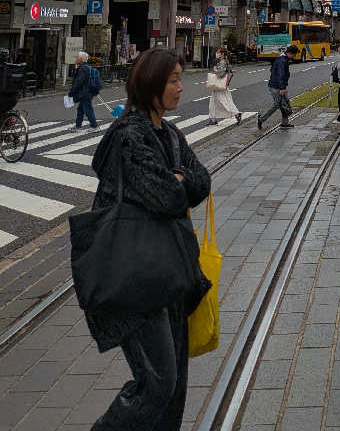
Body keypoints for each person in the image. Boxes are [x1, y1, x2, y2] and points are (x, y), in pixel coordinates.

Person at [86, 48, 211, 430]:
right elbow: (167, 196)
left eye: (180, 78)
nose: (180, 87)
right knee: (157, 383)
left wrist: (179, 180)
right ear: (151, 84)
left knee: (175, 387)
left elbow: (201, 181)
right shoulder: (128, 136)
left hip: (170, 271)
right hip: (133, 275)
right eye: (173, 80)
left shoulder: (170, 134)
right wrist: (178, 182)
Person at [257, 44, 299, 129]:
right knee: (277, 104)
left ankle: (285, 123)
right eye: (294, 54)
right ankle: (261, 119)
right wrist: (282, 88)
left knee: (285, 103)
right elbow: (281, 75)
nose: (294, 56)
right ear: (290, 53)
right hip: (276, 87)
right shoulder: (282, 61)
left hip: (279, 85)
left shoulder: (282, 59)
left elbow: (272, 70)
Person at [207, 46, 241, 126]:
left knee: (224, 101)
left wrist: (215, 70)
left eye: (218, 52)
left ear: (222, 54)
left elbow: (220, 74)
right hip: (219, 85)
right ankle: (213, 119)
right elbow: (226, 70)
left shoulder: (222, 62)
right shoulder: (223, 61)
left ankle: (237, 114)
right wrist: (229, 71)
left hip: (220, 86)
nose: (217, 53)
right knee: (213, 102)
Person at [70, 51, 99, 129]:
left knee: (88, 109)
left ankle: (94, 126)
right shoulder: (88, 67)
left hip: (84, 93)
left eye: (77, 57)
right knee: (80, 109)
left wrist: (72, 92)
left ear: (81, 59)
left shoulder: (82, 69)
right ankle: (78, 126)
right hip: (88, 91)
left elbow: (78, 82)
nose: (76, 59)